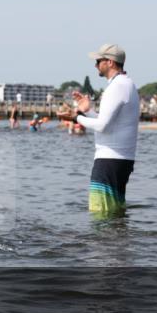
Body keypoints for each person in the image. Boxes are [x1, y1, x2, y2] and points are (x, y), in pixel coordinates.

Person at [59, 44, 139, 217]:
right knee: (115, 214)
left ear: (110, 62)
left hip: (109, 159)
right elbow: (109, 123)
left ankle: (103, 245)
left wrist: (75, 118)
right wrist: (88, 111)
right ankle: (118, 244)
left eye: (98, 61)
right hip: (121, 159)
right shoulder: (127, 84)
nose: (95, 65)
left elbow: (103, 126)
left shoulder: (116, 86)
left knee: (100, 215)